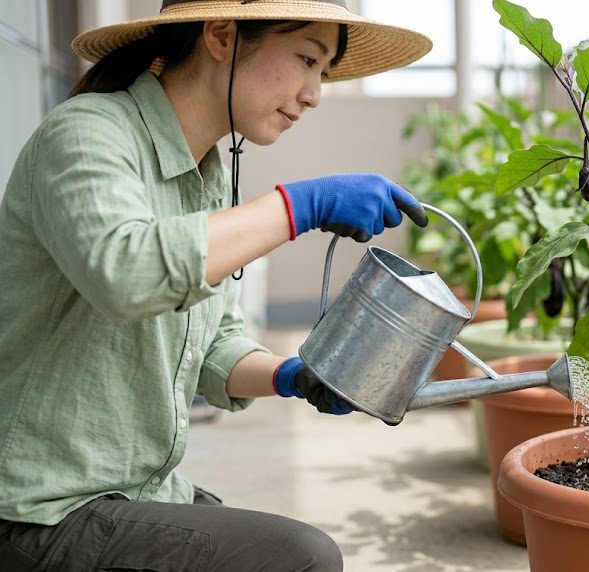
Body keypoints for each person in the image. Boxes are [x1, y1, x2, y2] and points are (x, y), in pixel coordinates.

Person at [0, 0, 432, 569]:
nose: (313, 93)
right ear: (223, 37)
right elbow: (125, 273)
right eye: (306, 58)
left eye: (322, 71)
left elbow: (212, 345)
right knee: (302, 558)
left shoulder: (206, 178)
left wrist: (293, 376)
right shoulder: (87, 133)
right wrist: (303, 205)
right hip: (41, 510)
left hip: (138, 493)